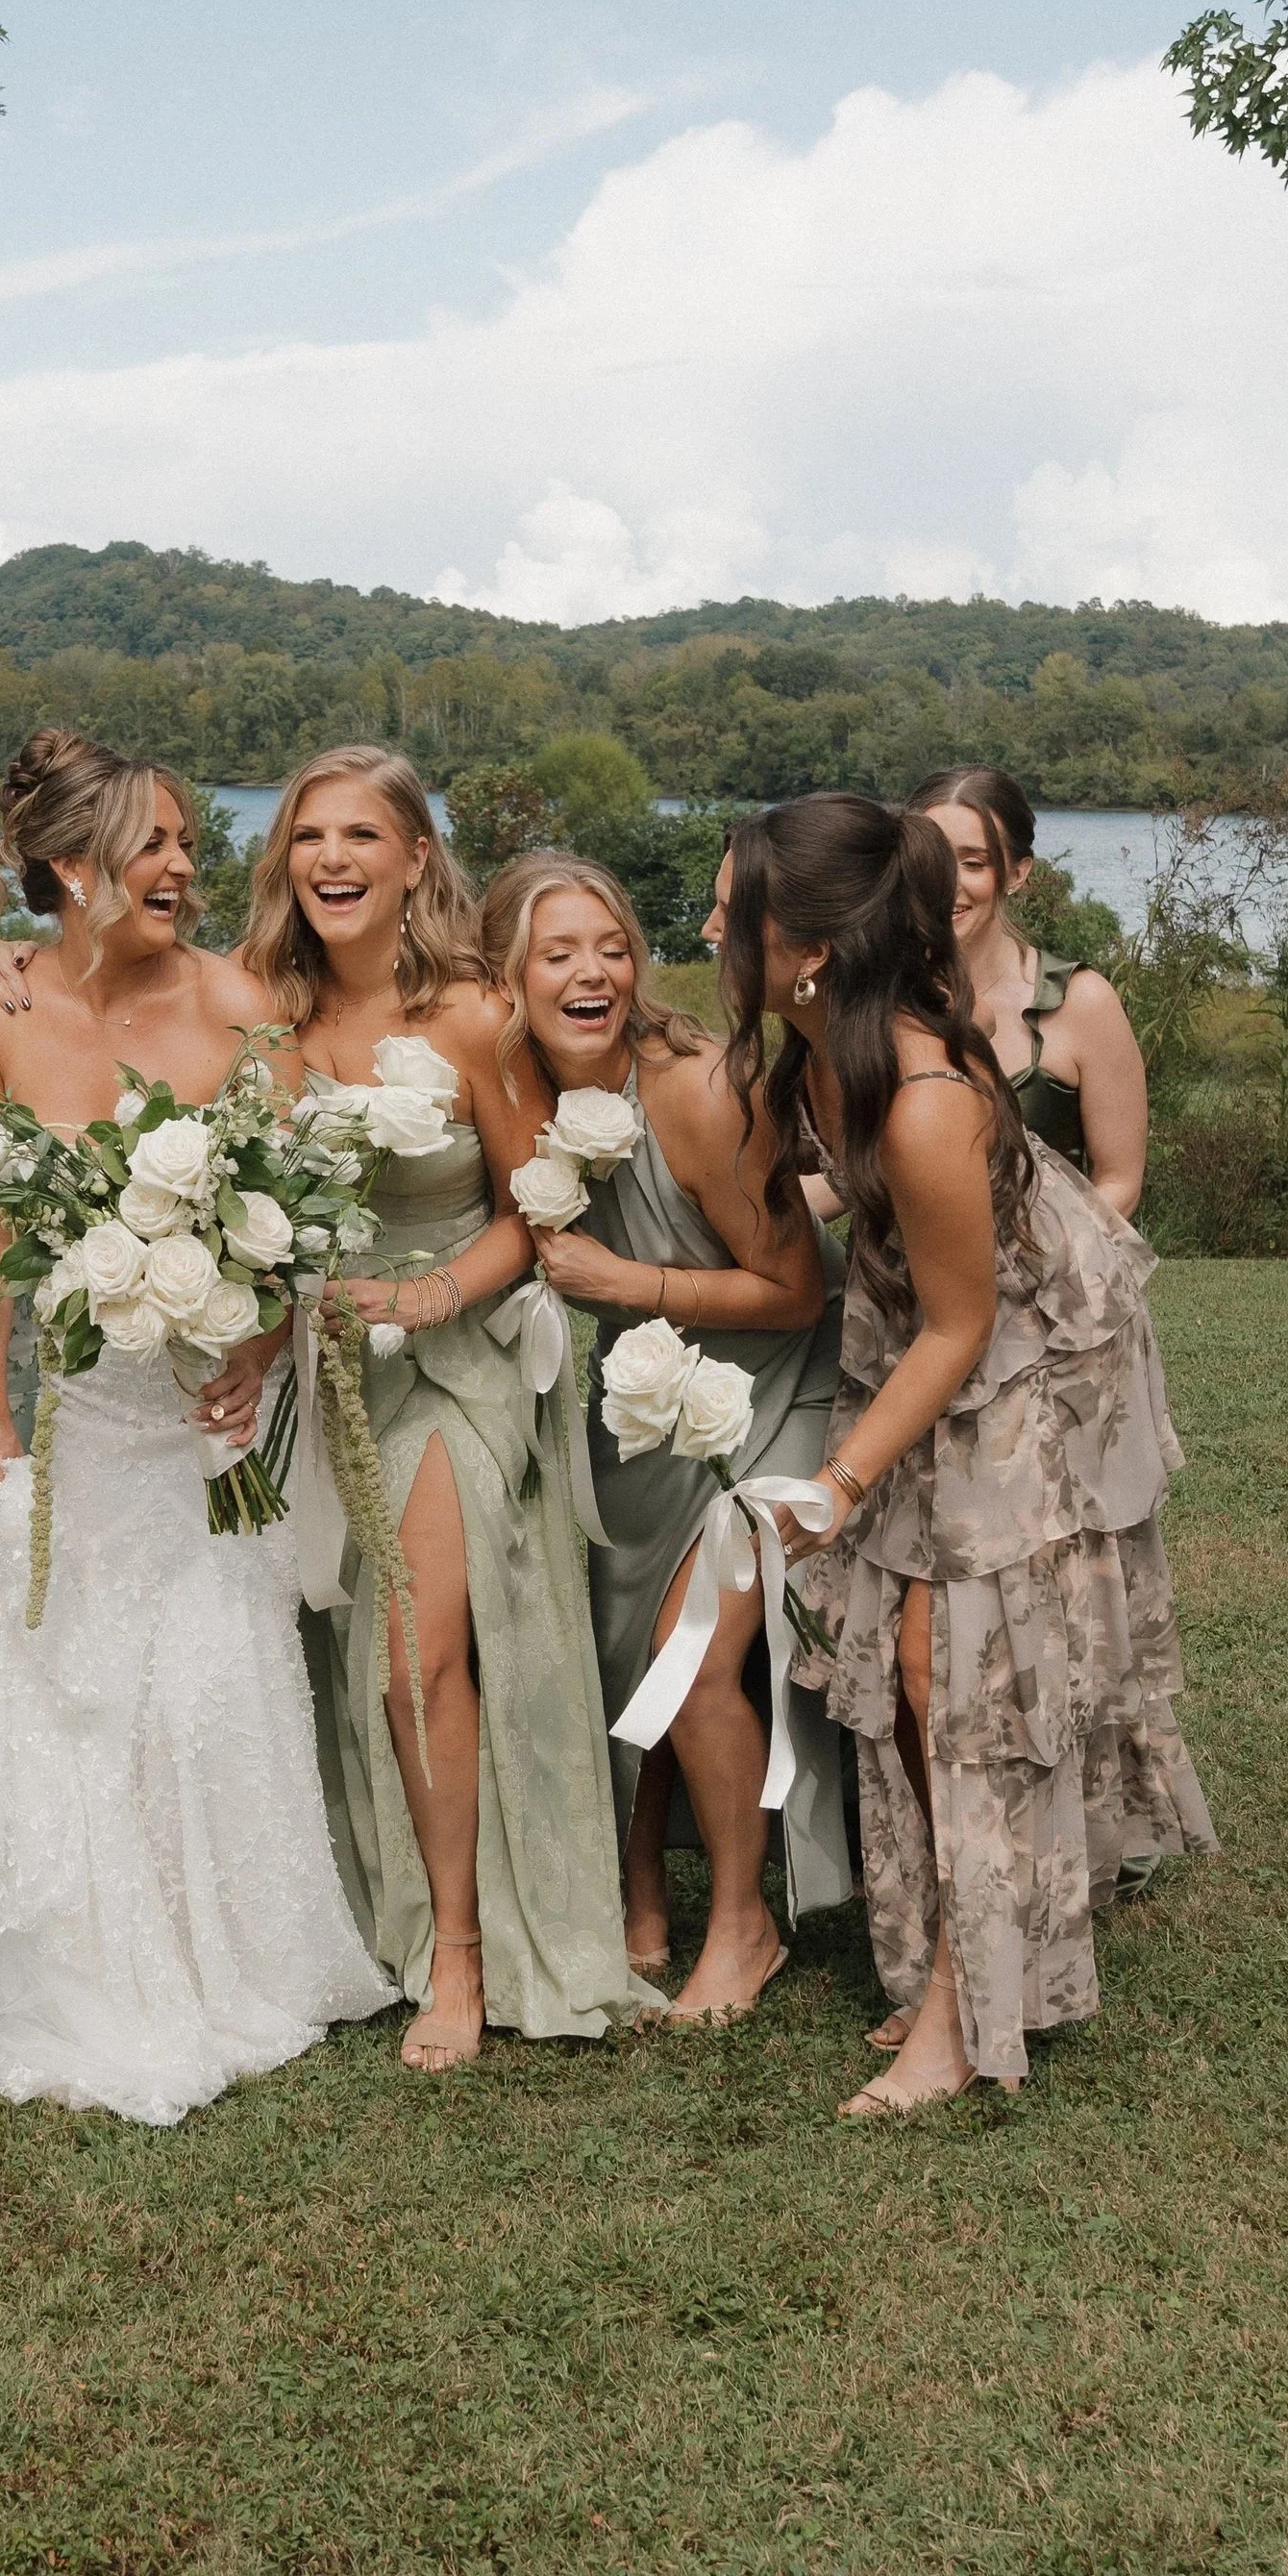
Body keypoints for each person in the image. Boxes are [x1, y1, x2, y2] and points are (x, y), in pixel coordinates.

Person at [0, 730, 392, 2125]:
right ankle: (83, 1985)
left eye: (188, 840)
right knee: (63, 1695)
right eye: (154, 845)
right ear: (70, 869)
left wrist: (253, 1345)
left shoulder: (243, 1007)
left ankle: (228, 1963)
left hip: (193, 1419)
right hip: (64, 1425)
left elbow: (287, 1218)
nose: (186, 865)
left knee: (201, 1690)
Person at [721, 795, 1206, 2115]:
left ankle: (966, 2003)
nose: (709, 926)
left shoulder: (927, 1093)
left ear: (809, 946)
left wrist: (839, 1483)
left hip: (1024, 1358)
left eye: (733, 909)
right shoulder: (817, 1048)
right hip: (929, 1331)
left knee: (958, 1669)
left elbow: (963, 1327)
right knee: (910, 1661)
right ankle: (955, 1952)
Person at [241, 749, 651, 2064]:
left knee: (417, 1653)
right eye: (310, 835)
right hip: (323, 1369)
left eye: (363, 833)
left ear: (418, 857)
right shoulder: (265, 1012)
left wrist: (424, 1302)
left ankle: (462, 1955)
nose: (333, 858)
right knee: (346, 1649)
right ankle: (380, 1903)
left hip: (461, 1366)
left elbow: (535, 1212)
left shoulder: (473, 1012)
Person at [479, 855, 856, 2019]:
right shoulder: (508, 1089)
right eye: (559, 953)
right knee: (612, 1641)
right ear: (508, 976)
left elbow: (797, 1290)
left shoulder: (697, 1090)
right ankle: (638, 1882)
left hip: (784, 1389)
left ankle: (743, 1929)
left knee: (689, 1665)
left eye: (613, 947)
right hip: (647, 1402)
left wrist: (622, 1276)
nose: (594, 971)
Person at [906, 766, 1148, 1213]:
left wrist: (1029, 1255)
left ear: (1017, 874)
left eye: (973, 863)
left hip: (1048, 1272)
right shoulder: (879, 995)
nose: (946, 883)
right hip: (894, 1277)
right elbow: (842, 1172)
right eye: (930, 861)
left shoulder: (1082, 1001)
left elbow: (1120, 1181)